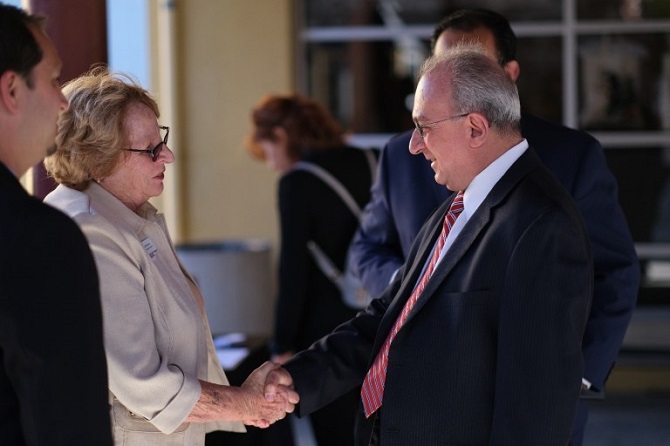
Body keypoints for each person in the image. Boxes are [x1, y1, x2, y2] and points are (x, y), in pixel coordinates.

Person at [265, 43, 593, 445]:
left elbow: (536, 403)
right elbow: (389, 317)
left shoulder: (543, 225)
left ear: (475, 127)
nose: (414, 146)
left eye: (424, 127)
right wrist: (296, 377)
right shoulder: (458, 205)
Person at [348, 9, 639, 445]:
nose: (455, 75)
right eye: (444, 64)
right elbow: (366, 250)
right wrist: (409, 290)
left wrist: (578, 376)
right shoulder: (400, 156)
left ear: (509, 74)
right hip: (419, 401)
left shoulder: (572, 156)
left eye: (473, 64)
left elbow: (615, 271)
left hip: (528, 403)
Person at [42, 67, 297, 445]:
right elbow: (144, 383)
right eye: (150, 150)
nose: (169, 155)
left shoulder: (127, 217)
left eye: (161, 139)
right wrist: (245, 404)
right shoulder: (90, 232)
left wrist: (249, 399)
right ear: (96, 159)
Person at [0, 5, 113, 445]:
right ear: (12, 89)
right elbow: (68, 422)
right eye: (52, 79)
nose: (63, 100)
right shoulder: (39, 238)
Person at [246, 93, 377, 445]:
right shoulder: (370, 158)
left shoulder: (297, 183)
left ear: (280, 136)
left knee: (337, 432)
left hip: (327, 329)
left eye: (268, 151)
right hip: (385, 311)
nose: (272, 164)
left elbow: (293, 272)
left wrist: (282, 346)